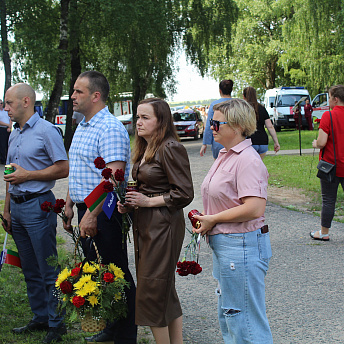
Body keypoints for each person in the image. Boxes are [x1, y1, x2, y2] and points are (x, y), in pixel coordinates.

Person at [63, 71, 137, 343]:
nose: (72, 96)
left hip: (105, 211)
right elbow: (80, 171)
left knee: (116, 272)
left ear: (96, 96)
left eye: (78, 91)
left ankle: (126, 334)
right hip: (86, 210)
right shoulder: (83, 125)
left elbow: (113, 180)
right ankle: (112, 327)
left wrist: (92, 216)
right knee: (97, 270)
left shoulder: (110, 128)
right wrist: (70, 204)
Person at [193, 98, 273, 344]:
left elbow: (254, 208)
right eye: (211, 123)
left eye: (217, 124)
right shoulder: (227, 155)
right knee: (231, 315)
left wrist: (213, 219)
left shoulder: (247, 159)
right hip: (229, 246)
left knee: (244, 321)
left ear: (237, 126)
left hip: (241, 246)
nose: (211, 128)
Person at [118, 98, 194, 344]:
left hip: (164, 226)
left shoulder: (170, 147)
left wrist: (148, 201)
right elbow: (146, 188)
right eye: (137, 117)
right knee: (163, 289)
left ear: (161, 121)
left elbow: (184, 193)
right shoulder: (146, 147)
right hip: (146, 225)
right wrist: (130, 203)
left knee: (151, 292)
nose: (138, 122)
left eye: (145, 118)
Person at [2, 83, 69, 343]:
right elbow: (10, 174)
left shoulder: (46, 131)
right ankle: (40, 317)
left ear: (26, 101)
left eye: (9, 103)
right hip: (17, 208)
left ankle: (57, 323)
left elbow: (63, 168)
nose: (5, 108)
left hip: (38, 206)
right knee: (29, 268)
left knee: (47, 268)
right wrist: (7, 210)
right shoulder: (14, 133)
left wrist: (28, 175)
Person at [310, 85, 344, 241]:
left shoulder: (328, 116)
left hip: (331, 166)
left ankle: (324, 233)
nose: (328, 100)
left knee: (329, 199)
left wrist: (315, 143)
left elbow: (322, 142)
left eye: (329, 97)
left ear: (335, 99)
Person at [243, 86, 280, 159]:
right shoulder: (262, 108)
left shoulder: (243, 109)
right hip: (263, 142)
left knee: (250, 167)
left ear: (244, 96)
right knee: (258, 165)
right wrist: (276, 142)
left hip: (249, 141)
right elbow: (270, 127)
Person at [200, 79, 233, 159]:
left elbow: (209, 125)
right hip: (235, 141)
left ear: (220, 90)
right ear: (231, 90)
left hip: (219, 142)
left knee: (218, 168)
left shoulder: (215, 105)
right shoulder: (238, 103)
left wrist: (205, 143)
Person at [0, 98, 12, 164]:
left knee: (9, 144)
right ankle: (3, 159)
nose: (0, 105)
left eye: (1, 103)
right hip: (1, 129)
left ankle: (9, 158)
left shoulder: (5, 111)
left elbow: (10, 118)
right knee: (2, 144)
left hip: (8, 128)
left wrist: (9, 126)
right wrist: (7, 124)